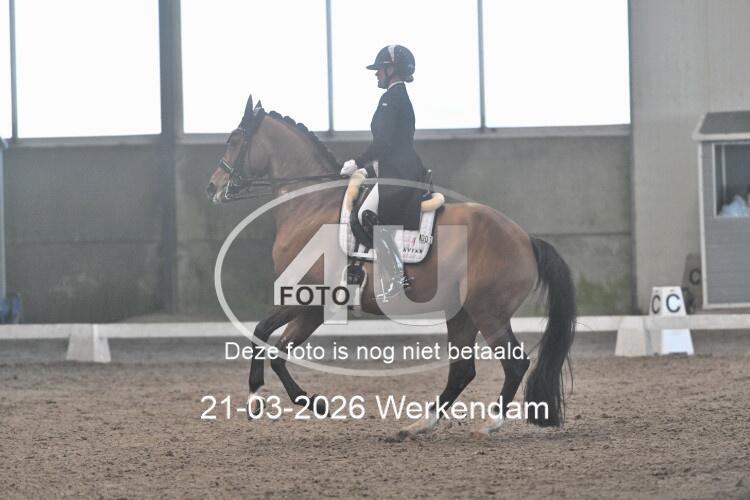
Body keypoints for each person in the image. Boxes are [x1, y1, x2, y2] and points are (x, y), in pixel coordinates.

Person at [340, 44, 428, 301]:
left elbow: (384, 143)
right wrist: (368, 168)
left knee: (366, 213)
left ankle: (397, 276)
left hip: (400, 174)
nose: (376, 73)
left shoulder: (392, 98)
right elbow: (394, 145)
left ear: (392, 70)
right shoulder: (396, 97)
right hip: (396, 168)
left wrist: (357, 161)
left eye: (380, 69)